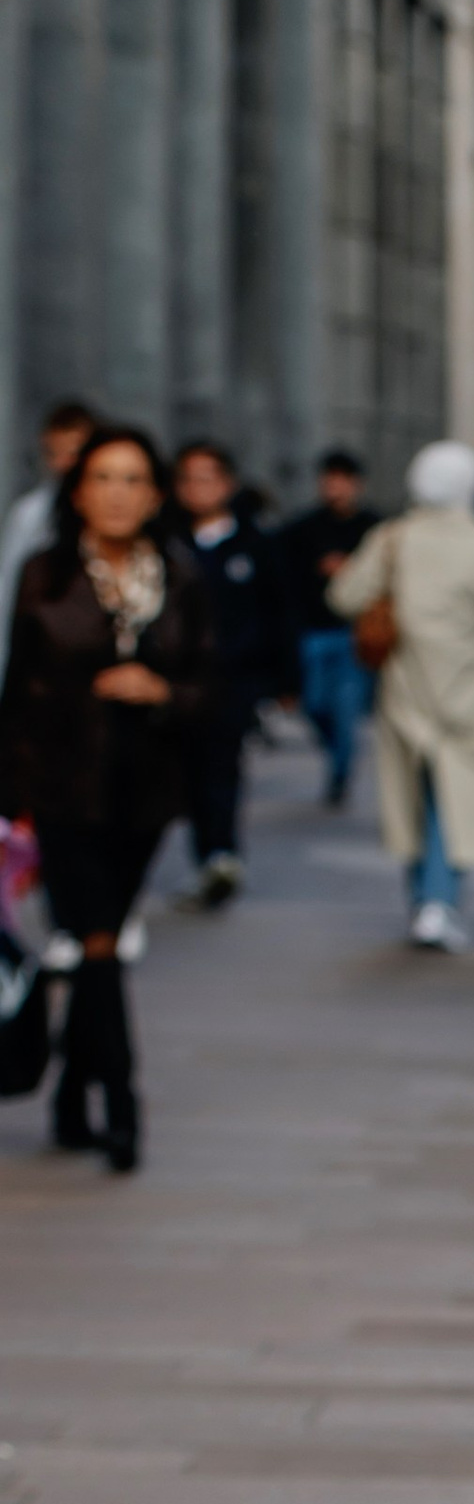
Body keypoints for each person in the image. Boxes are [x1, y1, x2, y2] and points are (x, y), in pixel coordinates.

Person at [0, 424, 218, 1168]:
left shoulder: (180, 577)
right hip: (60, 788)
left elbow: (213, 685)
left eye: (132, 480)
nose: (117, 495)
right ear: (78, 490)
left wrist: (160, 690)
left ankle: (69, 1094)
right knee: (97, 943)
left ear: (155, 494)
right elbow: (20, 689)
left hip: (144, 789)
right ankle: (123, 1104)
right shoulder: (46, 575)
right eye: (102, 478)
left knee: (104, 940)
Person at [331, 442, 474, 948]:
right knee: (453, 802)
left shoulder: (392, 539)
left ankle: (426, 898)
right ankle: (439, 902)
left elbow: (343, 596)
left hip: (409, 690)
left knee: (418, 798)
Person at [168, 437, 279, 908]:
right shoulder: (169, 544)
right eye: (188, 479)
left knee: (223, 766)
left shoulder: (253, 544)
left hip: (233, 680)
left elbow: (277, 612)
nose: (198, 488)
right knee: (189, 772)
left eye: (207, 478)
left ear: (227, 484)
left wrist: (280, 678)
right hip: (179, 681)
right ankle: (206, 852)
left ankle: (222, 853)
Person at [272, 450, 380, 808]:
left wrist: (352, 571)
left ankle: (340, 771)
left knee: (347, 708)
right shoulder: (303, 528)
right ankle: (336, 753)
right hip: (313, 630)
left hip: (353, 631)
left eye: (342, 481)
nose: (335, 489)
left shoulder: (372, 529)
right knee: (314, 702)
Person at [0, 400, 96, 643]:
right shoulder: (29, 514)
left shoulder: (117, 510)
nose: (64, 463)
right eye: (53, 453)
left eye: (73, 453)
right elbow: (8, 591)